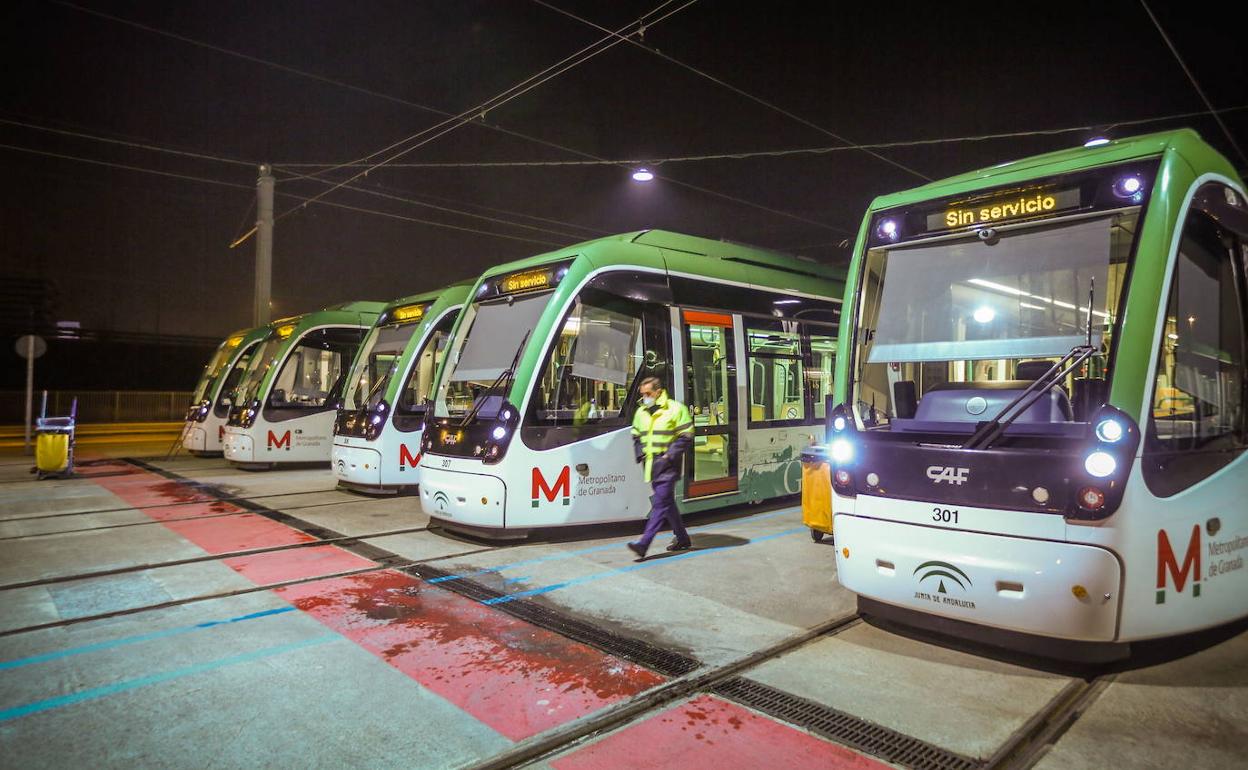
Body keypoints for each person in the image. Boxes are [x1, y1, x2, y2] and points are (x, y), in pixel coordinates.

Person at [627, 376, 695, 559]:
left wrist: (668, 455)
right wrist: (640, 453)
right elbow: (635, 435)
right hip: (650, 465)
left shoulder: (675, 409)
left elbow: (686, 435)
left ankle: (643, 544)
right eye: (642, 395)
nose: (645, 397)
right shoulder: (641, 411)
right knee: (667, 503)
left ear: (658, 392)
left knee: (659, 504)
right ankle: (682, 538)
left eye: (648, 393)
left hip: (668, 466)